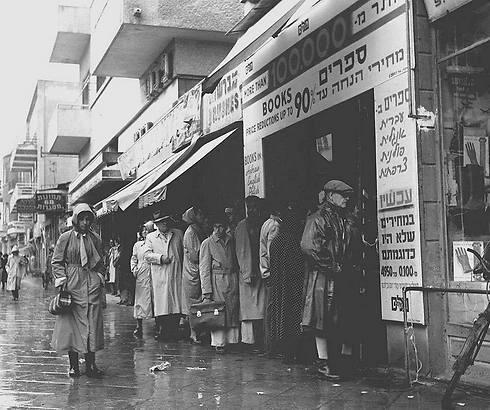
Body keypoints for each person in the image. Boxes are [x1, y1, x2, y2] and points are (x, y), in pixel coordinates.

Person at [300, 180, 360, 381]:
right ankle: (323, 363)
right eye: (343, 195)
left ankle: (340, 361)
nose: (347, 199)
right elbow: (309, 247)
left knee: (342, 318)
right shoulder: (318, 218)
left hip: (339, 275)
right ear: (330, 196)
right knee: (321, 319)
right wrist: (332, 265)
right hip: (324, 276)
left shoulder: (344, 218)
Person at [51, 203, 106, 378]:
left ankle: (91, 364)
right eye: (81, 219)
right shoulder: (65, 238)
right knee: (71, 326)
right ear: (75, 219)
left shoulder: (95, 238)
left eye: (88, 219)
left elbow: (101, 262)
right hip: (72, 284)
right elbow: (57, 262)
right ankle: (73, 365)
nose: (85, 222)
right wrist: (63, 280)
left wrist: (99, 277)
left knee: (92, 324)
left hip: (91, 284)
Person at [268, 205, 305, 363]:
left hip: (278, 285)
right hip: (293, 286)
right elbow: (297, 266)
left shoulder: (276, 241)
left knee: (279, 316)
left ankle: (282, 349)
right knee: (293, 317)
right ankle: (293, 351)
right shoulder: (294, 241)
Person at [200, 216, 240, 353]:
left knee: (232, 310)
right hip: (217, 280)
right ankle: (219, 342)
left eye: (221, 226)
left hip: (231, 279)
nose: (218, 230)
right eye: (215, 226)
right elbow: (204, 268)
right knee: (218, 312)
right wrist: (206, 291)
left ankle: (232, 341)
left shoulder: (230, 241)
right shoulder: (207, 243)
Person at [145, 214, 184, 341]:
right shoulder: (151, 237)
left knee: (175, 303)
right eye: (161, 222)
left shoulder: (178, 234)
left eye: (166, 221)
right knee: (162, 304)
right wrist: (160, 258)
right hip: (160, 274)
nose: (165, 224)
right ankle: (162, 330)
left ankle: (174, 331)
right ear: (156, 224)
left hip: (176, 272)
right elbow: (147, 255)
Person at [235, 196, 267, 351]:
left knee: (259, 307)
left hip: (259, 271)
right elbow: (242, 251)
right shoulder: (243, 226)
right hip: (249, 272)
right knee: (250, 309)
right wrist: (247, 272)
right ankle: (251, 342)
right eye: (250, 207)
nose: (252, 210)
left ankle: (258, 341)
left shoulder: (259, 223)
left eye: (255, 207)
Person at [181, 206, 207, 344]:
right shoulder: (191, 232)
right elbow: (194, 256)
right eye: (200, 214)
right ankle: (193, 332)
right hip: (192, 271)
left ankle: (198, 330)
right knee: (193, 303)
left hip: (195, 270)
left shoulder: (196, 230)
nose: (202, 217)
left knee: (198, 302)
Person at [131, 221, 155, 337]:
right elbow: (134, 258)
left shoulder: (154, 243)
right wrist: (134, 269)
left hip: (153, 272)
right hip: (141, 273)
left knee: (154, 298)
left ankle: (157, 324)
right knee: (140, 299)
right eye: (143, 230)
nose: (145, 232)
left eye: (147, 230)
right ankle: (139, 325)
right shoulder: (138, 245)